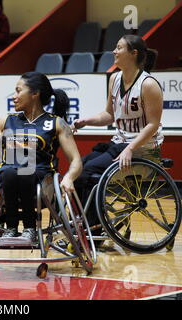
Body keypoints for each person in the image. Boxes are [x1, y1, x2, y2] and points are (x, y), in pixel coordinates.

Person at [0, 71, 82, 242]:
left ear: (35, 94)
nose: (14, 97)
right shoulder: (6, 120)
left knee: (22, 171)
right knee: (10, 172)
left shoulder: (56, 122)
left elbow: (76, 161)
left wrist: (69, 178)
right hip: (7, 176)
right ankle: (11, 228)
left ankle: (29, 227)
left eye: (18, 91)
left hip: (41, 181)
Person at [71, 34, 164, 234]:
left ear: (133, 53)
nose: (114, 51)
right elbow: (108, 115)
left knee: (90, 172)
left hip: (144, 149)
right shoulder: (114, 79)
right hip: (120, 143)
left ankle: (93, 230)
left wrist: (131, 148)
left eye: (119, 47)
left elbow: (153, 125)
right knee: (78, 167)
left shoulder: (148, 84)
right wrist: (86, 121)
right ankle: (81, 222)